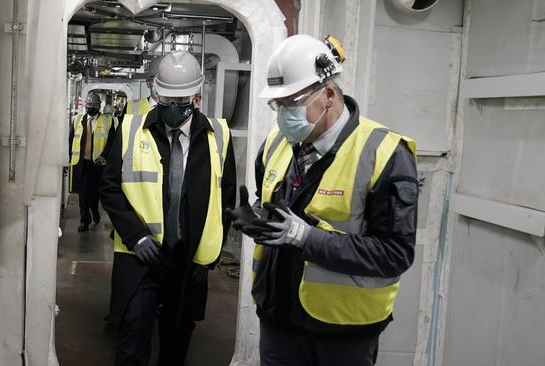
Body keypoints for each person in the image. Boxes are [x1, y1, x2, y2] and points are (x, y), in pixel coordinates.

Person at [226, 34, 418, 366]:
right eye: (277, 105)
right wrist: (257, 219)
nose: (283, 114)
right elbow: (279, 213)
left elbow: (394, 254)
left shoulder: (384, 153)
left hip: (343, 336)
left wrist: (305, 238)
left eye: (291, 102)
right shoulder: (276, 144)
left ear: (327, 94)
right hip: (278, 322)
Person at [100, 50, 236, 366]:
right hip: (140, 255)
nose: (173, 108)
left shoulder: (218, 136)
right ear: (156, 92)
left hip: (189, 258)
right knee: (133, 332)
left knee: (177, 340)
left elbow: (225, 197)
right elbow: (110, 188)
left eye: (181, 101)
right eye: (166, 100)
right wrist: (136, 236)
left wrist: (210, 253)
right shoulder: (132, 129)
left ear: (198, 97)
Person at [69, 91, 117, 232]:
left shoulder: (108, 121)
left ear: (99, 106)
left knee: (95, 193)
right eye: (88, 104)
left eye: (93, 105)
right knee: (83, 194)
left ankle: (95, 210)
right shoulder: (77, 120)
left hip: (98, 164)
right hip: (81, 163)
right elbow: (71, 140)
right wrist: (68, 158)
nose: (90, 107)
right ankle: (85, 220)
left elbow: (112, 142)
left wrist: (105, 157)